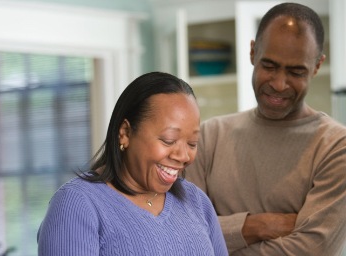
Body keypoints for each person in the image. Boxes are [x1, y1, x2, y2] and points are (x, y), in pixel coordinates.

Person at [186, 2, 346, 256]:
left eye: (296, 71)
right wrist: (257, 226)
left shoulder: (336, 147)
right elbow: (185, 235)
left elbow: (314, 249)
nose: (280, 84)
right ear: (252, 52)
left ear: (317, 66)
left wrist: (219, 235)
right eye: (269, 66)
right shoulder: (208, 137)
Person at [37, 71, 229, 256]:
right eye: (168, 140)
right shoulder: (77, 204)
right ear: (125, 133)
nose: (183, 155)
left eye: (192, 143)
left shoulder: (196, 201)